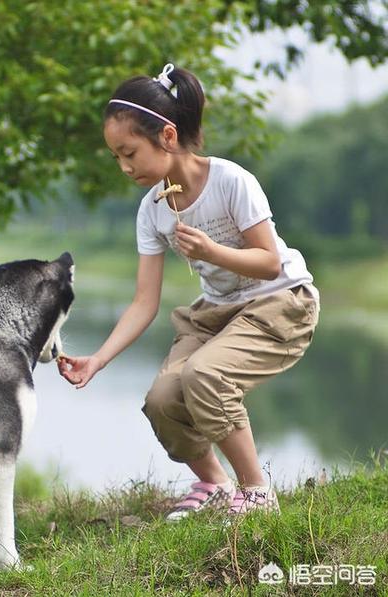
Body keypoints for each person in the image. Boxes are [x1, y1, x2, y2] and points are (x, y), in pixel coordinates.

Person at [58, 63, 319, 520]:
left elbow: (269, 261)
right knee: (162, 401)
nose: (123, 167)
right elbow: (145, 301)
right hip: (219, 311)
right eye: (116, 157)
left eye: (130, 153)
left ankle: (257, 492)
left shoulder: (232, 181)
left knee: (204, 376)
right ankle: (215, 484)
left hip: (280, 300)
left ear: (168, 137)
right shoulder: (152, 211)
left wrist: (213, 252)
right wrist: (98, 359)